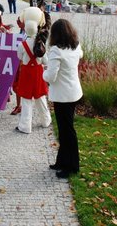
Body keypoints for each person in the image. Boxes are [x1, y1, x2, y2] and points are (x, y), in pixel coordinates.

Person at [43, 19, 83, 178]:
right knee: (66, 129)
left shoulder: (56, 51)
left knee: (67, 132)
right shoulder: (76, 45)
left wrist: (42, 72)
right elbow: (81, 54)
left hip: (63, 96)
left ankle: (71, 166)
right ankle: (62, 161)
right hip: (73, 92)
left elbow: (51, 77)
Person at [14, 7, 52, 134]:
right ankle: (46, 120)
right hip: (38, 74)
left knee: (26, 100)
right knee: (40, 98)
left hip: (26, 74)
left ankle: (25, 126)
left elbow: (19, 57)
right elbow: (45, 61)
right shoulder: (41, 44)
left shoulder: (22, 44)